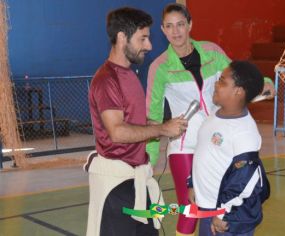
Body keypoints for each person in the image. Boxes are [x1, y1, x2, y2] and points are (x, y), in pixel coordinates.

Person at [145, 3, 274, 236]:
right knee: (190, 209)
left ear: (190, 25)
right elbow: (153, 117)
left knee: (218, 202)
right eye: (169, 26)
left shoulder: (212, 52)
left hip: (218, 142)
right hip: (184, 145)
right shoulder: (159, 67)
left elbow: (237, 79)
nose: (176, 32)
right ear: (163, 30)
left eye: (181, 25)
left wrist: (265, 82)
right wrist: (149, 161)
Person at [85, 7, 187, 236]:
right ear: (122, 37)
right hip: (117, 186)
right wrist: (161, 128)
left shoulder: (129, 74)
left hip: (136, 179)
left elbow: (131, 121)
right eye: (143, 38)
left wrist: (158, 126)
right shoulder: (106, 80)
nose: (149, 45)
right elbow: (118, 132)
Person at [192, 61, 270, 236]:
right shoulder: (214, 116)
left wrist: (224, 212)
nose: (216, 84)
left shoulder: (245, 132)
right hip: (208, 208)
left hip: (228, 217)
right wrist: (192, 183)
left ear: (238, 91)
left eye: (222, 81)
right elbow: (203, 153)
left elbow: (245, 179)